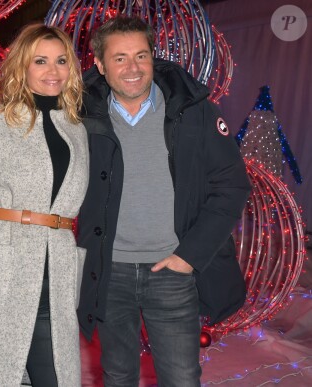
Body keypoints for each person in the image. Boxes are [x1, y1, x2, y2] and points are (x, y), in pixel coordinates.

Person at [77, 16, 251, 386]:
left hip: (172, 270)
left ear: (153, 57)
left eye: (141, 55)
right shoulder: (79, 115)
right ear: (99, 64)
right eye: (120, 58)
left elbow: (232, 186)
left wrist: (189, 256)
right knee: (117, 374)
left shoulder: (194, 111)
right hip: (109, 272)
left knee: (182, 378)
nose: (133, 68)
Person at [0, 24, 88, 386]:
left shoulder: (76, 128)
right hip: (2, 268)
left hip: (55, 270)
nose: (53, 71)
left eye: (61, 61)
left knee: (57, 375)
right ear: (21, 67)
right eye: (40, 61)